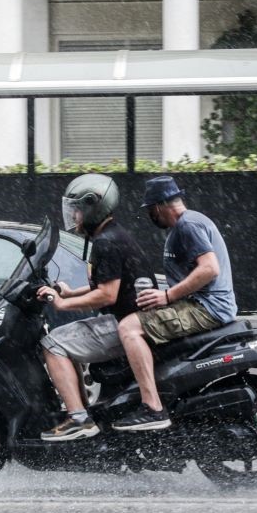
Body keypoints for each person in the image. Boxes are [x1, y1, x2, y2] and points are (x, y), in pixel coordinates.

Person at [111, 176, 237, 432]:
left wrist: (167, 297)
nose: (149, 215)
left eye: (149, 210)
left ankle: (152, 407)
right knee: (141, 319)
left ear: (158, 207)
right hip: (202, 303)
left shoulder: (187, 226)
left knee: (128, 328)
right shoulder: (188, 223)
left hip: (207, 307)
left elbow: (209, 269)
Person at [34, 173, 155, 442]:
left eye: (76, 210)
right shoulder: (111, 235)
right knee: (64, 341)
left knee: (52, 344)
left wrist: (63, 304)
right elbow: (110, 285)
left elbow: (107, 295)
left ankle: (78, 418)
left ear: (92, 208)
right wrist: (70, 291)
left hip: (124, 323)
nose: (73, 217)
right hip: (129, 318)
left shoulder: (106, 242)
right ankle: (82, 410)